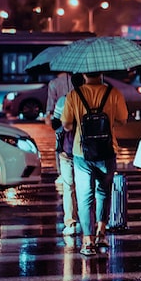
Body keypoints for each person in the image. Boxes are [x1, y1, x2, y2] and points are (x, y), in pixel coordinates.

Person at [61, 72, 128, 256]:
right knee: (103, 193)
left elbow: (66, 124)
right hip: (107, 150)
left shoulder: (74, 95)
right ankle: (101, 234)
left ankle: (88, 241)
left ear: (83, 73)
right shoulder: (113, 93)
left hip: (82, 152)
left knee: (84, 197)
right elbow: (122, 119)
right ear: (102, 73)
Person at [51, 74, 84, 237]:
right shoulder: (95, 98)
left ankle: (71, 223)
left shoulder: (64, 100)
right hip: (89, 151)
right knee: (88, 189)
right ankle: (90, 224)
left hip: (68, 149)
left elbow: (55, 124)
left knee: (69, 187)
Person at [45, 72, 75, 183]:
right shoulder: (76, 80)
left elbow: (51, 105)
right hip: (75, 122)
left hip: (60, 118)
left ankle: (62, 174)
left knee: (61, 146)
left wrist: (49, 115)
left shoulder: (53, 84)